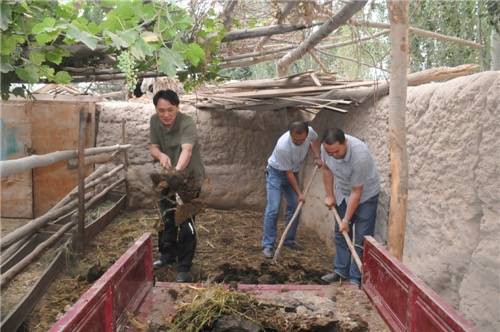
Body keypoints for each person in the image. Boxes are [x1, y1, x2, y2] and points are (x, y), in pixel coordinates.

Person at [149, 89, 205, 282]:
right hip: (167, 177)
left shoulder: (187, 122)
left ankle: (184, 266)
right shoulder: (154, 122)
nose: (165, 115)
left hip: (189, 178)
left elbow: (187, 150)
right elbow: (153, 146)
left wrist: (176, 173)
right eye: (161, 110)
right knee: (166, 218)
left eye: (170, 110)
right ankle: (166, 256)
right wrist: (161, 155)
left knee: (185, 220)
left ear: (177, 107)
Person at [319, 128, 380, 287]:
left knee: (361, 238)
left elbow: (357, 192)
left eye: (336, 151)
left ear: (344, 142)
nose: (333, 155)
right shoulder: (326, 148)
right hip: (343, 191)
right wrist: (329, 195)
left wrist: (346, 219)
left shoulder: (360, 155)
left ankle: (355, 278)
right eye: (329, 152)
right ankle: (340, 272)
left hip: (365, 195)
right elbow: (326, 170)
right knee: (340, 234)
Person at [261, 121, 322, 258]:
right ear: (290, 134)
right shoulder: (283, 146)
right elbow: (287, 174)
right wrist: (300, 193)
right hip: (276, 173)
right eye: (296, 139)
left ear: (306, 133)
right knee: (273, 208)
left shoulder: (309, 132)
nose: (300, 142)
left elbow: (314, 140)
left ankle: (289, 240)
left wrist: (317, 156)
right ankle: (268, 245)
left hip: (292, 172)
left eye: (302, 139)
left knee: (295, 206)